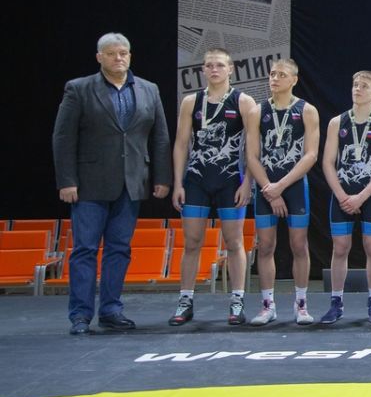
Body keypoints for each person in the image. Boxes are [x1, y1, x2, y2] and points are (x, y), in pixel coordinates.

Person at [52, 33, 171, 335]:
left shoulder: (148, 89)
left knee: (119, 249)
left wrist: (162, 178)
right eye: (112, 53)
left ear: (130, 55)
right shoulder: (79, 89)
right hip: (89, 185)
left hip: (132, 183)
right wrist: (67, 180)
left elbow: (159, 137)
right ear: (99, 57)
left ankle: (111, 310)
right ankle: (80, 315)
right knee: (85, 250)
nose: (119, 58)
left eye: (123, 53)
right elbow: (63, 137)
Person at [170, 48, 257, 326]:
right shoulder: (191, 102)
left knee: (234, 242)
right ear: (203, 70)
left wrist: (249, 183)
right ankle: (185, 301)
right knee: (192, 242)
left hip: (230, 181)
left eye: (219, 65)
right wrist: (178, 183)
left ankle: (237, 301)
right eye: (209, 65)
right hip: (196, 180)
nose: (214, 70)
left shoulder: (243, 101)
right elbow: (181, 144)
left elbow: (253, 147)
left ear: (231, 69)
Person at [244, 58, 320, 326]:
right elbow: (251, 156)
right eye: (272, 74)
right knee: (266, 246)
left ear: (294, 80)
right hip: (266, 186)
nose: (275, 79)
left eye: (281, 75)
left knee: (299, 245)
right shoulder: (257, 111)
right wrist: (270, 190)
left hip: (294, 185)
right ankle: (267, 306)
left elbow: (311, 155)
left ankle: (301, 304)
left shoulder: (306, 110)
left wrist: (281, 186)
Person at [319, 71, 371, 324]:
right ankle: (336, 302)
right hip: (342, 194)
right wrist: (342, 195)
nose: (357, 89)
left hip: (370, 194)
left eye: (364, 86)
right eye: (355, 85)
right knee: (340, 247)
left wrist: (361, 197)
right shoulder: (336, 122)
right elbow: (327, 162)